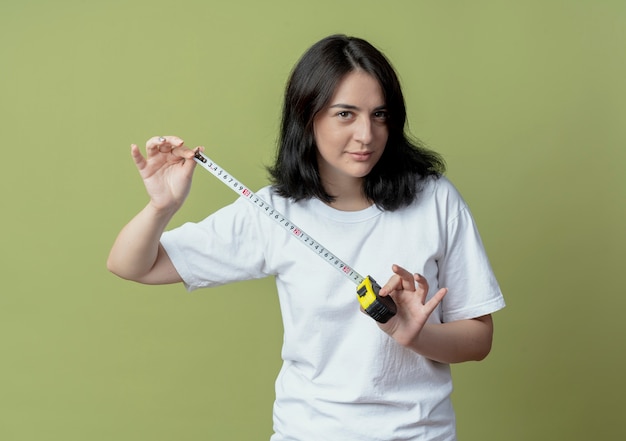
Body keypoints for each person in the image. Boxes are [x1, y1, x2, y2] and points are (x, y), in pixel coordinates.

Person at [108, 34, 505, 440]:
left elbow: (478, 338)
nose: (367, 135)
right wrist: (163, 206)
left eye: (380, 114)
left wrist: (417, 335)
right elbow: (131, 265)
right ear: (307, 116)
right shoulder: (274, 212)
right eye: (345, 114)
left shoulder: (435, 200)